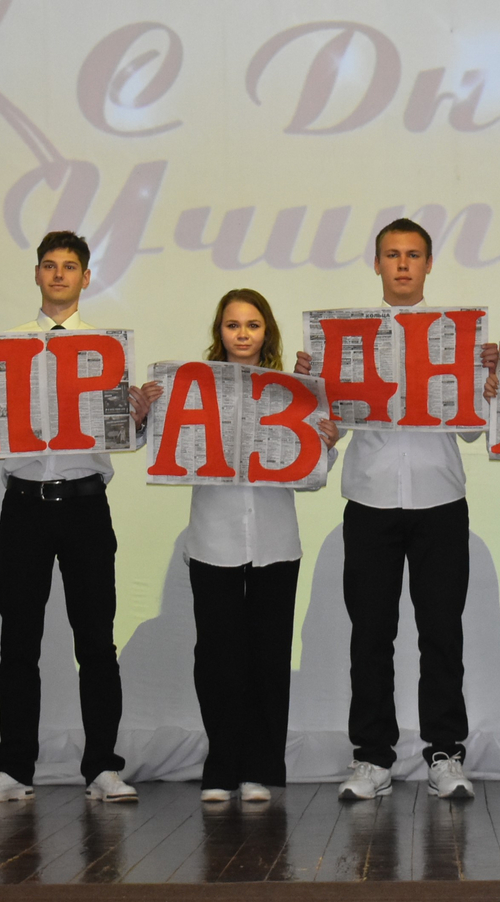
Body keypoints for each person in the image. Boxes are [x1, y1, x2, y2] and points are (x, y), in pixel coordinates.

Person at [294, 218, 500, 801]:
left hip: (441, 499)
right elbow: (327, 426)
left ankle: (445, 753)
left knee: (442, 633)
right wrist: (312, 388)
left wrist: (487, 378)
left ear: (429, 265)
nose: (403, 264)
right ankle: (371, 758)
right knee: (370, 636)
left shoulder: (458, 339)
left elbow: (472, 430)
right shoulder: (346, 341)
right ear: (377, 264)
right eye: (392, 254)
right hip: (370, 498)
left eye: (413, 255)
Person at [0, 231, 160, 805]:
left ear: (85, 277)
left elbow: (126, 437)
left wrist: (139, 416)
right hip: (23, 505)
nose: (58, 275)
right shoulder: (4, 348)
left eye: (69, 266)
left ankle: (102, 767)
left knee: (96, 642)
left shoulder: (106, 351)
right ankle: (14, 770)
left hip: (85, 504)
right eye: (49, 265)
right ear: (36, 274)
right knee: (17, 643)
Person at [170, 289, 341, 803]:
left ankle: (260, 769)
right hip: (212, 538)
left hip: (275, 540)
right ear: (218, 332)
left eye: (252, 324)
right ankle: (222, 765)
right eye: (232, 325)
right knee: (217, 657)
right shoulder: (192, 390)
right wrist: (148, 414)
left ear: (267, 331)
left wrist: (325, 444)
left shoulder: (293, 392)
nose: (242, 334)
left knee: (268, 656)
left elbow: (311, 476)